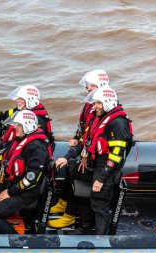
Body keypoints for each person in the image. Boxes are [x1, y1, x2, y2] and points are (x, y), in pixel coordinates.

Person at [54, 86, 133, 235]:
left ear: (107, 103)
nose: (94, 106)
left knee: (99, 203)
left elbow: (115, 157)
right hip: (95, 162)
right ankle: (85, 226)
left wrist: (101, 179)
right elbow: (85, 143)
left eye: (97, 103)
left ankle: (102, 238)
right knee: (73, 170)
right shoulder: (99, 118)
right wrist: (66, 157)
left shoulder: (117, 124)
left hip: (106, 167)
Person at [48, 69, 110, 228]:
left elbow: (93, 138)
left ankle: (70, 214)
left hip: (99, 163)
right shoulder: (93, 106)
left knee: (75, 172)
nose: (87, 91)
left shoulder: (103, 111)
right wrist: (76, 138)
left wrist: (83, 155)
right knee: (71, 170)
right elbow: (84, 128)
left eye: (89, 88)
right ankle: (63, 203)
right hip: (89, 154)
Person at [0, 110, 51, 234]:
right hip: (14, 183)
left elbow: (31, 178)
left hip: (26, 192)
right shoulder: (20, 139)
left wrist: (10, 192)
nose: (14, 127)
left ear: (28, 126)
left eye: (18, 125)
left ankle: (14, 240)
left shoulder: (36, 148)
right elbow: (5, 155)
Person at [0, 85, 54, 152]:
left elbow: (21, 143)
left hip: (16, 151)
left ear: (30, 100)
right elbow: (0, 116)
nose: (17, 100)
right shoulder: (17, 111)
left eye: (20, 98)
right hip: (4, 145)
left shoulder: (34, 121)